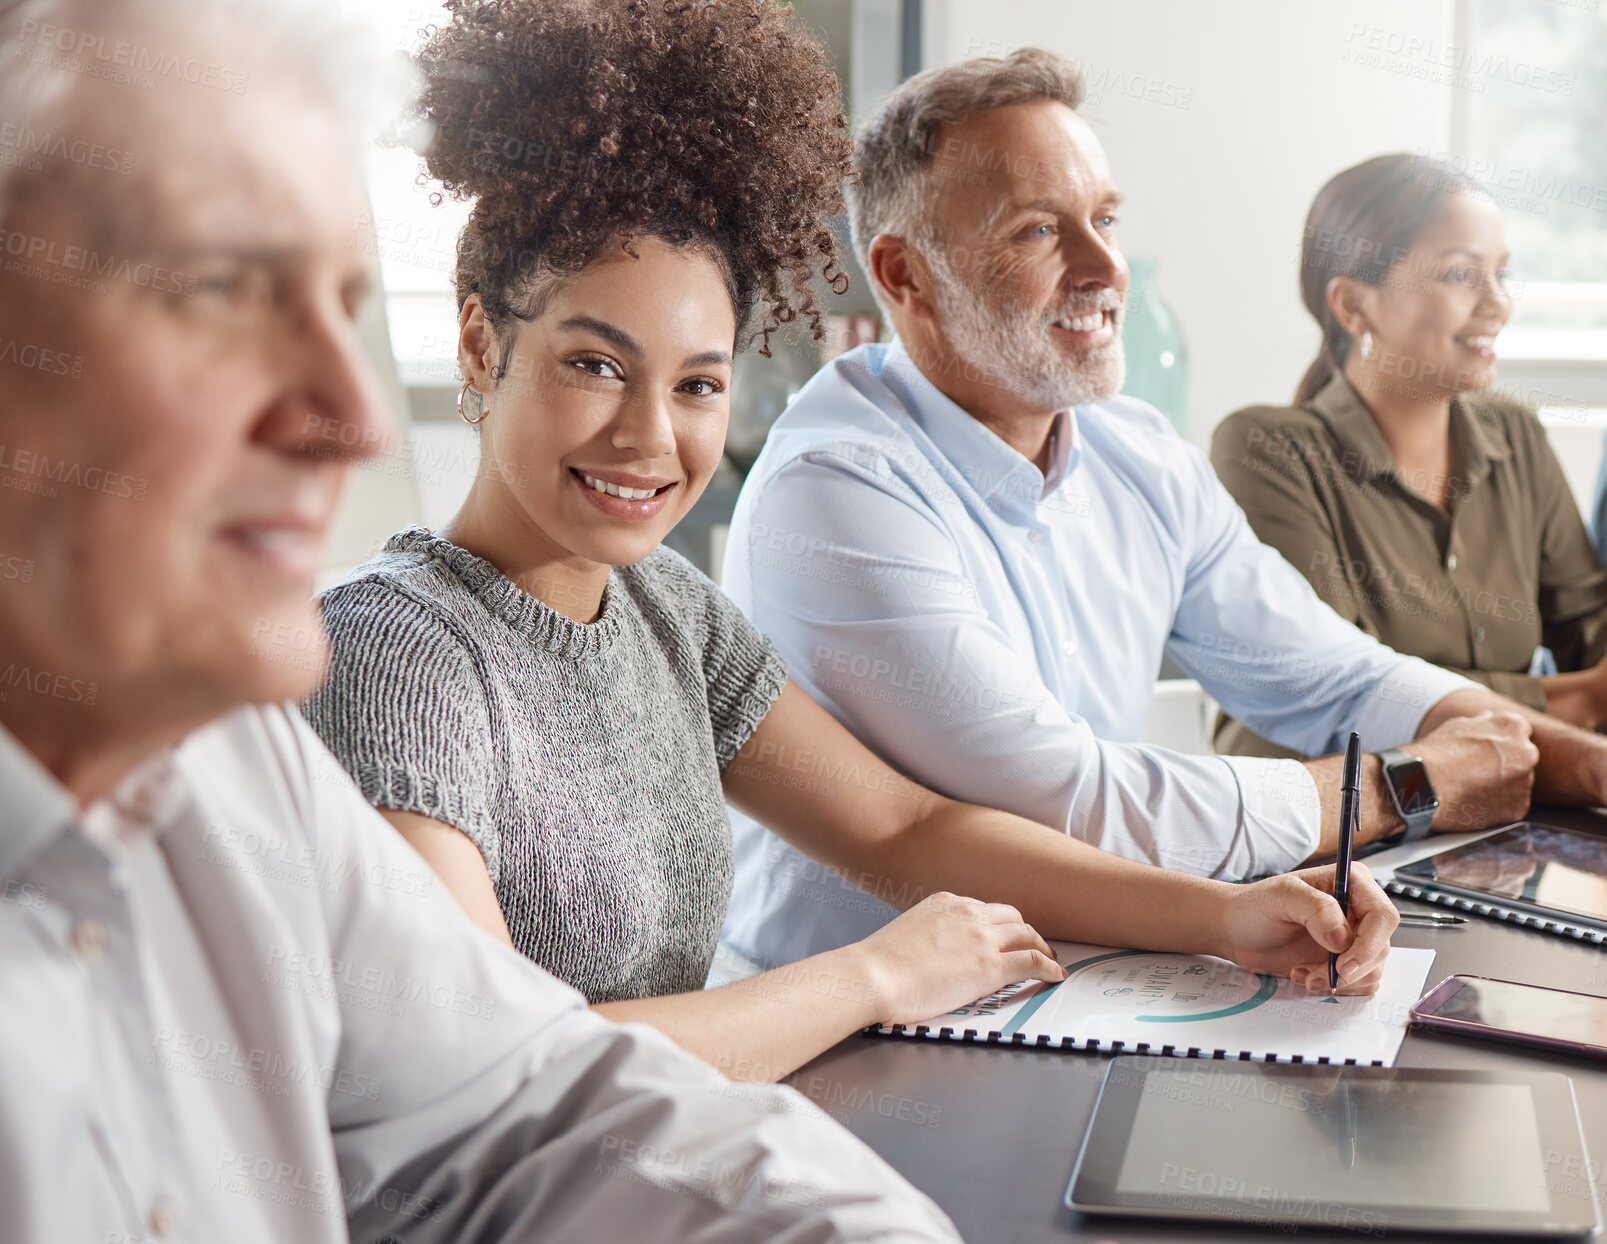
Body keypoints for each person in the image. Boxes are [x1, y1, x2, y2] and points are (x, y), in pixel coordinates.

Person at [0, 0, 969, 1238]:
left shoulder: (239, 771)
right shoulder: (387, 656)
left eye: (340, 299)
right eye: (217, 288)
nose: (349, 418)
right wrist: (874, 973)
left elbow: (531, 1100)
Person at [303, 1, 1401, 1089]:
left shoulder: (665, 611)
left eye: (696, 383)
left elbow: (904, 824)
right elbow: (489, 1070)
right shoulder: (395, 648)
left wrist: (1226, 915)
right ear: (479, 343)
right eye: (594, 364)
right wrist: (871, 975)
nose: (649, 436)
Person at [714, 47, 1607, 975]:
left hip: (1079, 983)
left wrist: (1577, 764)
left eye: (1102, 218)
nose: (1105, 267)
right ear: (903, 276)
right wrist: (1400, 789)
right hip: (863, 1030)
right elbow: (1065, 803)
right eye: (1036, 232)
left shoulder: (1130, 448)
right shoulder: (836, 487)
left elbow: (1326, 673)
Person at [1210, 154, 1607, 761]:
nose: (1498, 304)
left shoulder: (1516, 436)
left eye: (1501, 273)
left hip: (1485, 817)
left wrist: (1579, 691)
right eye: (1459, 275)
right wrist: (1575, 701)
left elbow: (1592, 637)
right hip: (1319, 837)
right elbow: (1354, 695)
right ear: (1352, 306)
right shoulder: (1265, 450)